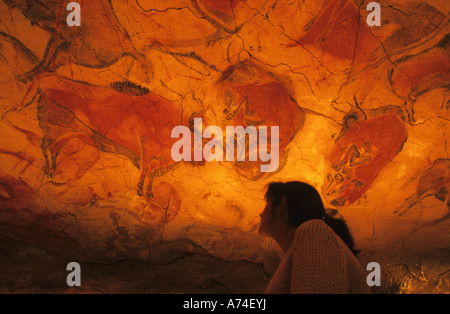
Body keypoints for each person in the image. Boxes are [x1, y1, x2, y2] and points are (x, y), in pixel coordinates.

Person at [259, 181, 371, 294]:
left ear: (281, 204)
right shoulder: (307, 244)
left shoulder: (313, 232)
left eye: (267, 203)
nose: (261, 214)